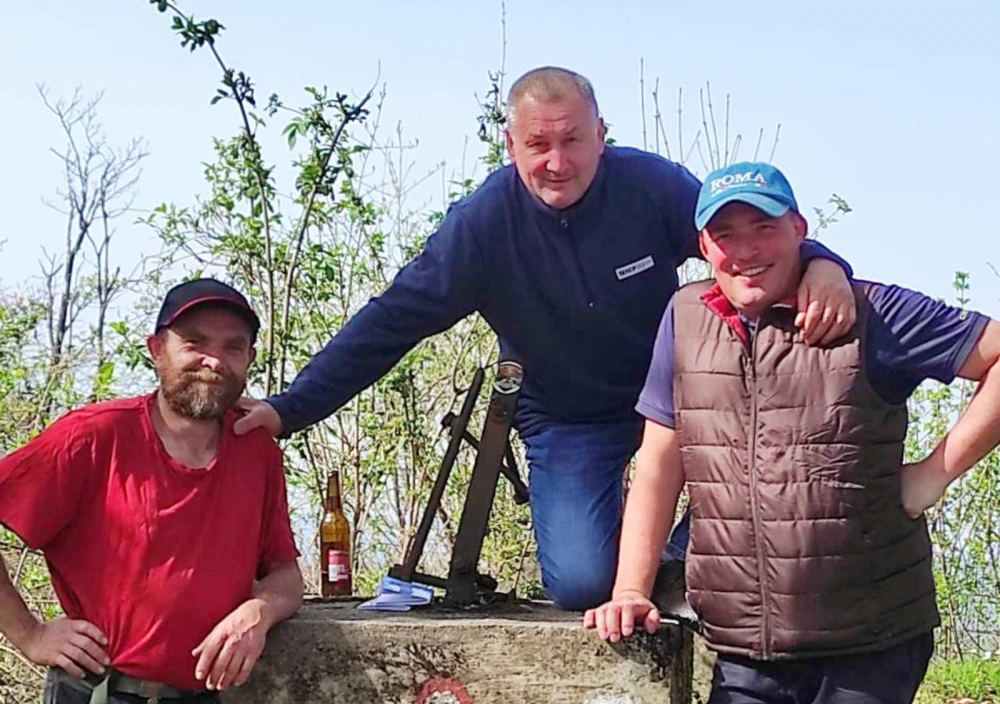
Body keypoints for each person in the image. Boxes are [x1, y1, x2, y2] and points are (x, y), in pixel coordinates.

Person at [234, 66, 857, 610]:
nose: (557, 162)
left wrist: (825, 265)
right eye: (538, 144)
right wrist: (291, 408)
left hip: (680, 406)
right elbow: (391, 320)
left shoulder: (651, 186)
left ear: (601, 137)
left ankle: (676, 561)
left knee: (771, 483)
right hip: (568, 416)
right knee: (585, 583)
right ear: (511, 145)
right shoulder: (481, 227)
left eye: (572, 140)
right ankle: (656, 569)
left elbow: (748, 242)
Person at [584, 161, 1000, 704]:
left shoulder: (872, 313)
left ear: (800, 232)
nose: (744, 248)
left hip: (868, 638)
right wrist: (631, 587)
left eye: (763, 227)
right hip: (746, 649)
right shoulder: (683, 319)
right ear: (702, 246)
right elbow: (658, 462)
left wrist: (935, 474)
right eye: (724, 233)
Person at [0, 278, 303, 704]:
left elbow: (285, 574)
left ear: (249, 361)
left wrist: (260, 610)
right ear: (156, 350)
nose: (212, 360)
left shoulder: (256, 453)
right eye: (193, 342)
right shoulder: (95, 438)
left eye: (232, 346)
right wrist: (29, 634)